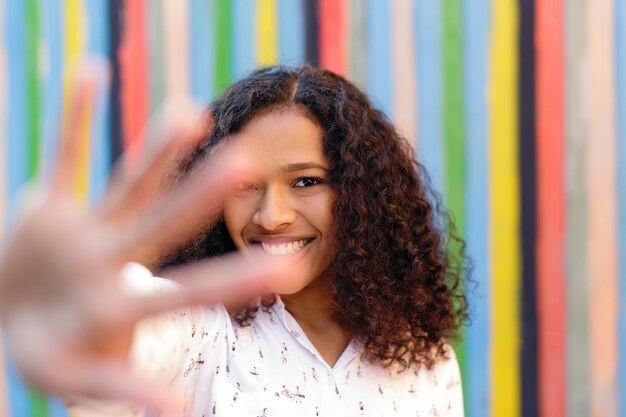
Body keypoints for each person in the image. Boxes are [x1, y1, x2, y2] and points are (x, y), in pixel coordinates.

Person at [2, 65, 468, 417]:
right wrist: (82, 321)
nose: (272, 216)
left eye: (306, 182)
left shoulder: (426, 361)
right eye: (245, 186)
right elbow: (130, 337)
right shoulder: (203, 331)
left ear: (362, 196)